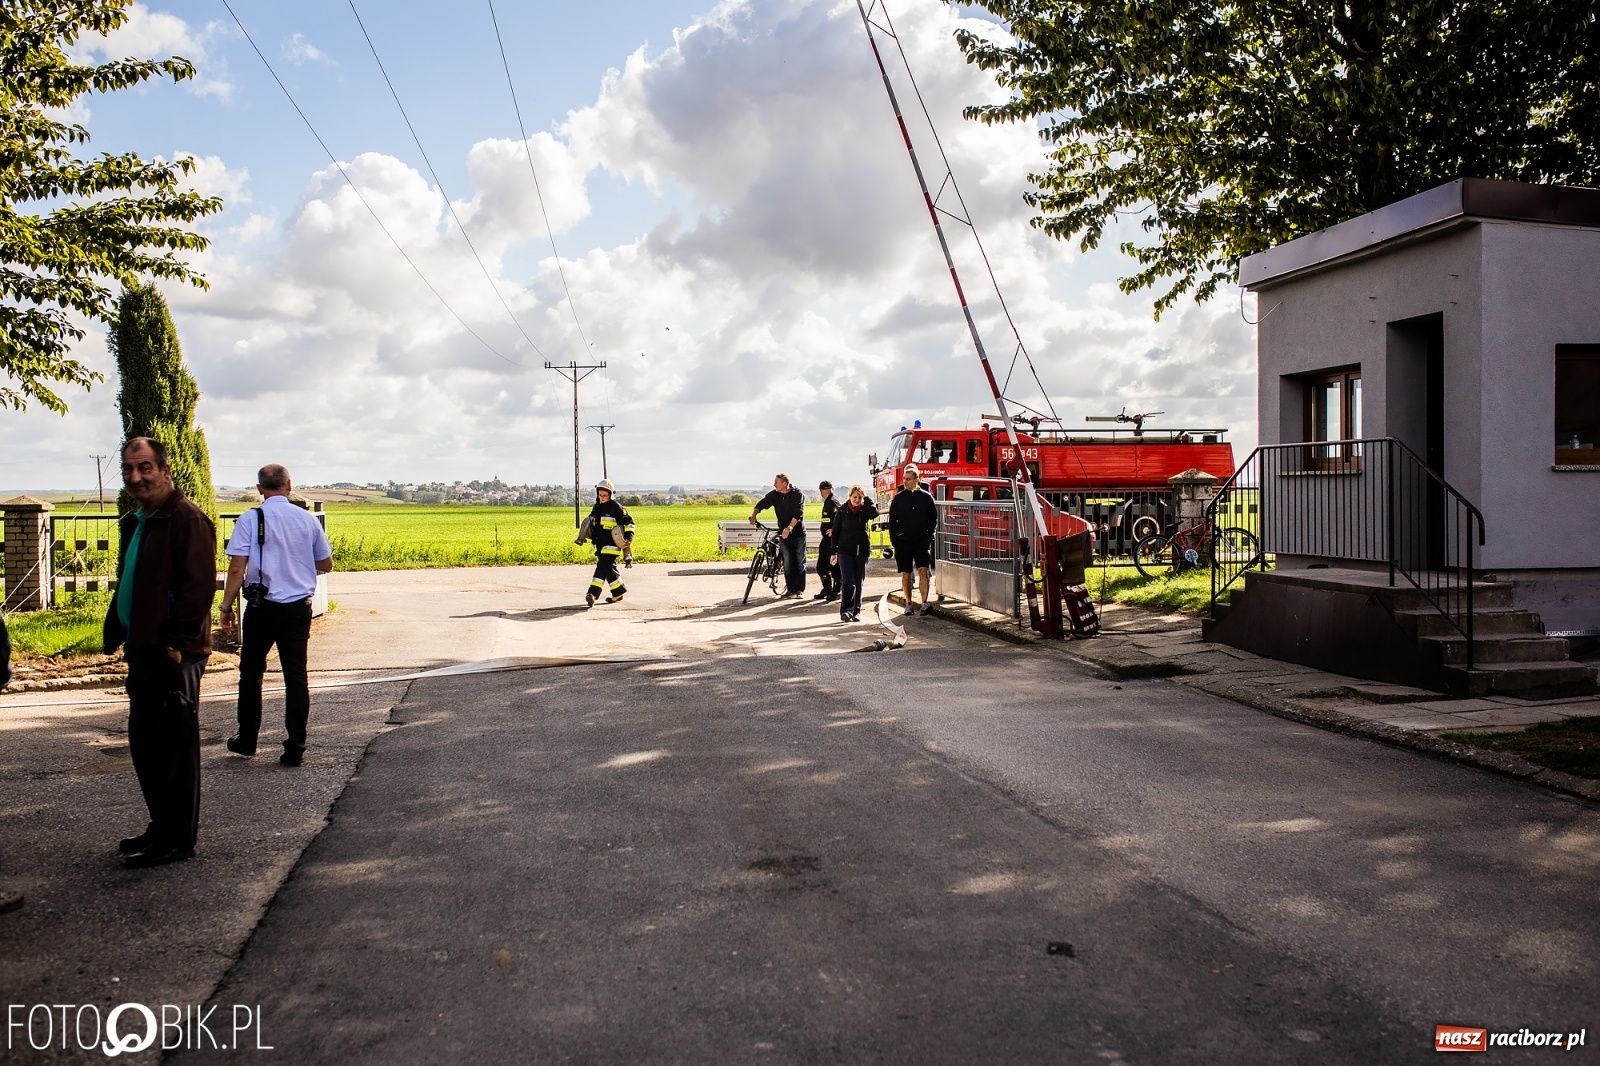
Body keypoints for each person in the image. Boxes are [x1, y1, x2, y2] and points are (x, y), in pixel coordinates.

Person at [103, 437, 216, 869]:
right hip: (144, 648)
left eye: (145, 467)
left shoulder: (186, 518)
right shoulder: (143, 519)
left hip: (173, 654)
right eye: (128, 469)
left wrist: (175, 643)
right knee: (147, 746)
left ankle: (177, 839)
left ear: (165, 471)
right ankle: (161, 825)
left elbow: (198, 588)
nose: (135, 477)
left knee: (173, 748)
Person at [219, 464, 334, 767]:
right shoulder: (307, 520)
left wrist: (226, 607)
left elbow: (236, 568)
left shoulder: (250, 519)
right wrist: (298, 561)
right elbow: (326, 563)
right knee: (296, 676)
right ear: (288, 484)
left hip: (262, 607)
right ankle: (295, 746)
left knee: (251, 673)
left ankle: (247, 739)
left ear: (260, 488)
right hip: (298, 608)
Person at [888, 462, 938, 615]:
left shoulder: (926, 497)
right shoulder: (898, 498)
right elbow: (892, 521)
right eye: (904, 479)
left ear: (916, 479)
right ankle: (908, 603)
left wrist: (929, 536)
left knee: (923, 570)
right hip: (903, 541)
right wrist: (895, 541)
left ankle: (924, 602)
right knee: (906, 572)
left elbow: (933, 519)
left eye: (908, 479)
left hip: (921, 541)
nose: (905, 482)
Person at [576, 479, 635, 606]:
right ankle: (618, 592)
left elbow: (629, 523)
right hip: (600, 544)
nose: (602, 498)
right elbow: (592, 523)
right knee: (609, 569)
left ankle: (593, 594)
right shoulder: (597, 507)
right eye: (600, 495)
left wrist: (629, 537)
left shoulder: (617, 508)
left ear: (610, 495)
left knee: (602, 568)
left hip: (612, 544)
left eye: (605, 495)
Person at [749, 473, 806, 598]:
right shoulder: (775, 495)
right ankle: (790, 590)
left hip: (798, 534)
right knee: (787, 563)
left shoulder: (797, 494)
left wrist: (789, 528)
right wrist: (754, 515)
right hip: (783, 534)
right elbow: (762, 504)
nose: (774, 484)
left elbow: (798, 513)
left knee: (799, 562)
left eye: (776, 482)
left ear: (784, 484)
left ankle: (799, 589)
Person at [830, 484, 879, 622]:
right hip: (844, 550)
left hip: (861, 550)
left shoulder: (864, 510)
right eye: (855, 497)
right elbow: (835, 532)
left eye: (859, 497)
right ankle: (846, 611)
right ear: (850, 496)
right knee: (848, 580)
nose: (857, 500)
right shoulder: (842, 510)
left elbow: (874, 514)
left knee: (858, 581)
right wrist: (833, 552)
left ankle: (856, 611)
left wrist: (866, 498)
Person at [813, 480, 839, 602]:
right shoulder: (828, 502)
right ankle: (827, 588)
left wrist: (834, 529)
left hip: (832, 540)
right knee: (821, 566)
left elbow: (840, 517)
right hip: (825, 540)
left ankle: (836, 590)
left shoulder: (833, 502)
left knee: (834, 567)